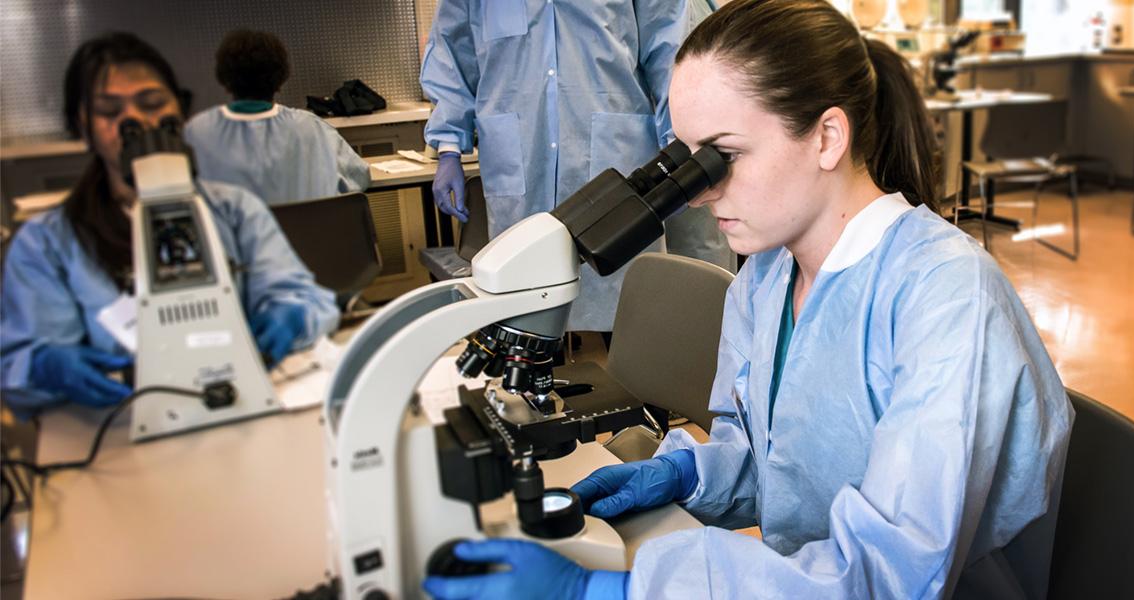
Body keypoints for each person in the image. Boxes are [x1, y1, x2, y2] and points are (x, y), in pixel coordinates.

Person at [422, 1, 1074, 599]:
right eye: (687, 161)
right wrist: (686, 476)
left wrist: (610, 594)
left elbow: (892, 575)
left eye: (723, 157)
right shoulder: (766, 278)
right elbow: (773, 465)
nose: (701, 192)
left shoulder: (948, 297)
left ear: (826, 137)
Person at [0, 32, 339, 411]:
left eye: (151, 102)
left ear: (180, 109)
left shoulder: (236, 210)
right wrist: (44, 365)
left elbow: (308, 300)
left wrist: (291, 315)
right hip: (118, 426)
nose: (136, 121)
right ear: (83, 127)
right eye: (111, 112)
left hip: (238, 406)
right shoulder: (47, 245)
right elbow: (17, 373)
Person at [420, 0, 734, 335]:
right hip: (521, 160)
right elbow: (452, 56)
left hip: (616, 159)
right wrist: (449, 148)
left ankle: (632, 379)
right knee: (524, 301)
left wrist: (684, 142)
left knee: (627, 302)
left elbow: (671, 54)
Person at [184, 29, 370, 206]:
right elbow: (359, 177)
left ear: (224, 80)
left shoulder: (199, 131)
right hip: (310, 238)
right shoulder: (311, 127)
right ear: (281, 78)